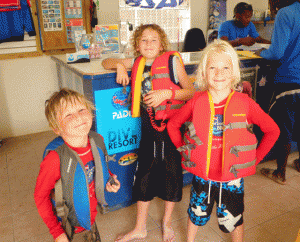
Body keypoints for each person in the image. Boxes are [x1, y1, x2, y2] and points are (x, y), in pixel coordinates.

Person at [167, 39, 280, 242]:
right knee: (195, 215)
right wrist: (182, 149)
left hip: (232, 179)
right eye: (212, 67)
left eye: (225, 67)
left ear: (234, 72)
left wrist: (255, 159)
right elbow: (173, 125)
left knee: (234, 219)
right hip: (203, 177)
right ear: (203, 72)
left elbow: (273, 130)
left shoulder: (245, 103)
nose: (218, 73)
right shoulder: (195, 102)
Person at [102, 24, 195, 242]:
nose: (149, 44)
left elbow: (190, 91)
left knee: (172, 174)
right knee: (144, 172)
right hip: (148, 128)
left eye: (154, 39)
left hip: (172, 128)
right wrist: (119, 67)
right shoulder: (136, 62)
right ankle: (140, 227)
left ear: (162, 43)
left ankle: (167, 222)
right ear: (137, 45)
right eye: (144, 40)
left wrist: (167, 93)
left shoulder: (173, 61)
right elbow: (105, 61)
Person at [34, 88, 121, 242]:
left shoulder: (98, 140)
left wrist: (109, 180)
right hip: (70, 227)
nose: (78, 117)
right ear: (56, 129)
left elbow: (100, 166)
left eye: (82, 109)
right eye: (68, 115)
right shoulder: (54, 159)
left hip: (90, 218)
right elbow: (40, 196)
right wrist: (57, 232)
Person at [254, 0, 300, 184]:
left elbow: (277, 52)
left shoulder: (286, 13)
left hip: (289, 79)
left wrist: (260, 53)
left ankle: (280, 172)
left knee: (285, 127)